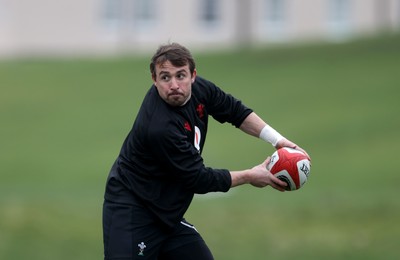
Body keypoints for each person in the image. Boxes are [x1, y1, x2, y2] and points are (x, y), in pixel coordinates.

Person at [102, 43, 310, 260]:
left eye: (180, 75)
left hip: (167, 213)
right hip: (133, 213)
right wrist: (250, 176)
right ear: (154, 80)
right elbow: (199, 179)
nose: (174, 84)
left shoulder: (200, 90)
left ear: (193, 75)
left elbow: (234, 110)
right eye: (165, 77)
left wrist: (278, 140)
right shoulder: (159, 127)